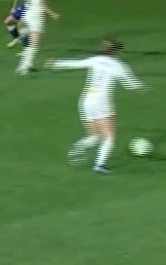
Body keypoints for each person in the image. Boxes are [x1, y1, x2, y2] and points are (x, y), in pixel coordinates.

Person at [50, 37, 144, 173]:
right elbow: (129, 83)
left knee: (95, 136)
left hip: (86, 100)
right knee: (109, 136)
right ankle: (100, 165)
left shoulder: (96, 60)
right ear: (116, 52)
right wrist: (141, 88)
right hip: (102, 100)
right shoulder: (118, 65)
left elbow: (76, 63)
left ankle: (78, 147)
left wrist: (56, 63)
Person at [16, 0, 56, 73]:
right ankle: (24, 67)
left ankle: (26, 64)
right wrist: (52, 13)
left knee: (30, 39)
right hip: (36, 14)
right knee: (35, 42)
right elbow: (42, 3)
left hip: (28, 12)